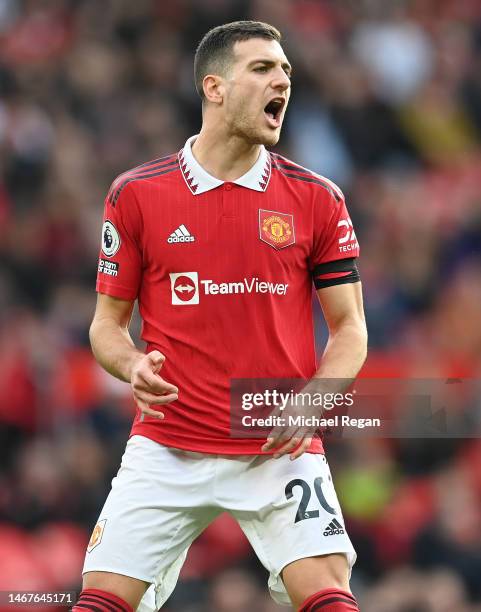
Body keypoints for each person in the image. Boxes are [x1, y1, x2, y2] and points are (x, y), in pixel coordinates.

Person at [74, 21, 367, 612]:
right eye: (262, 68)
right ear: (214, 86)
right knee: (99, 603)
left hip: (276, 447)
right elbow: (106, 325)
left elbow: (351, 329)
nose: (282, 79)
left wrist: (315, 400)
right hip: (168, 443)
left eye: (286, 70)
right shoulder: (136, 194)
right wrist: (130, 364)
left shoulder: (317, 198)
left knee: (331, 600)